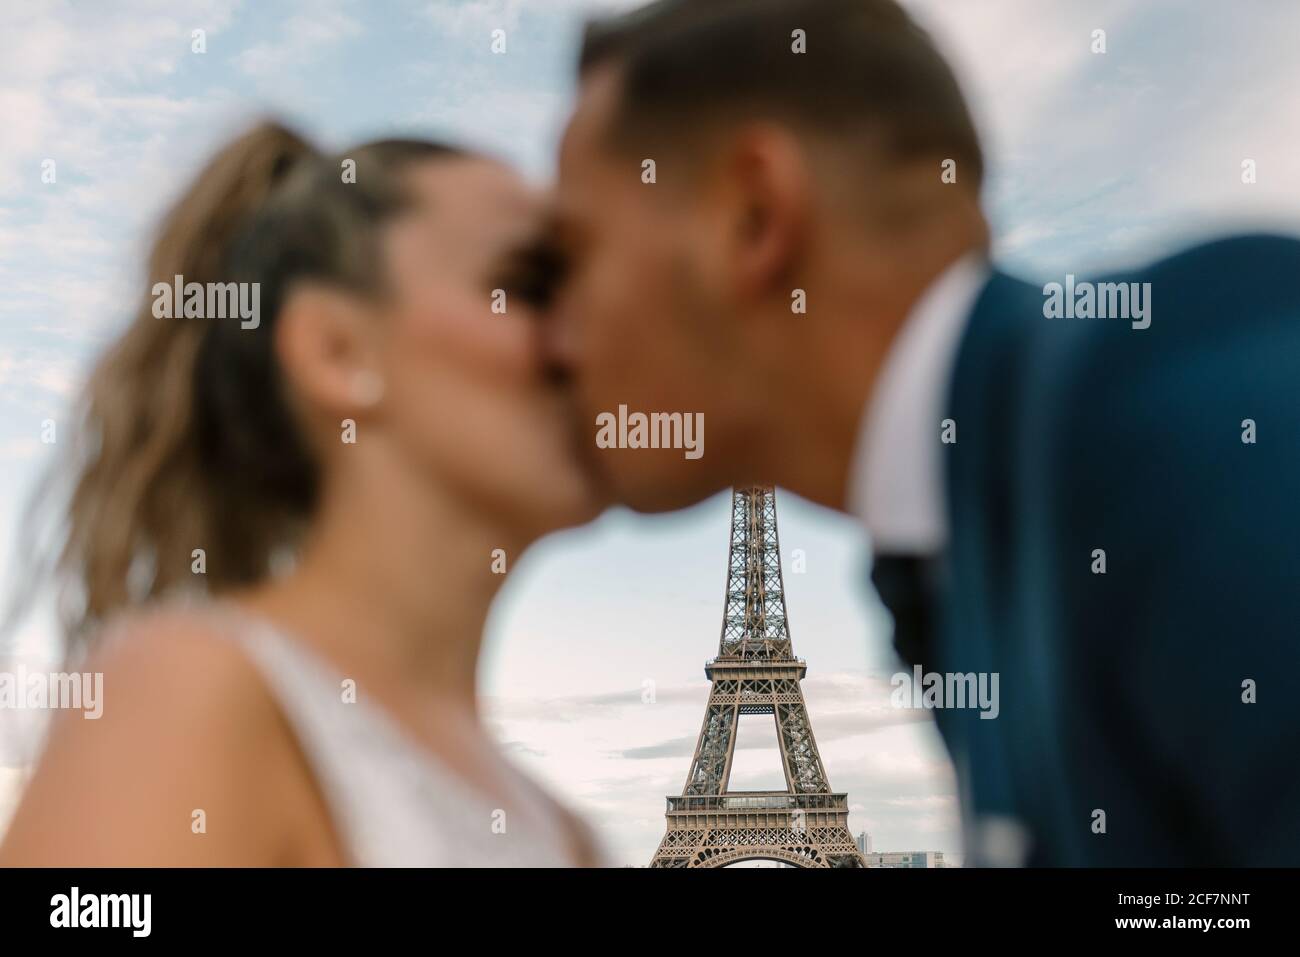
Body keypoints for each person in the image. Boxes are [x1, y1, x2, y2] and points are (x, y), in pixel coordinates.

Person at [540, 0, 1300, 865]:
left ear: (753, 217)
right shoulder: (988, 535)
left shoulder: (1170, 400)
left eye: (573, 254)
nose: (551, 333)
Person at [0, 122, 605, 866]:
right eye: (530, 285)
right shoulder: (186, 693)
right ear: (337, 351)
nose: (591, 338)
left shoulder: (564, 830)